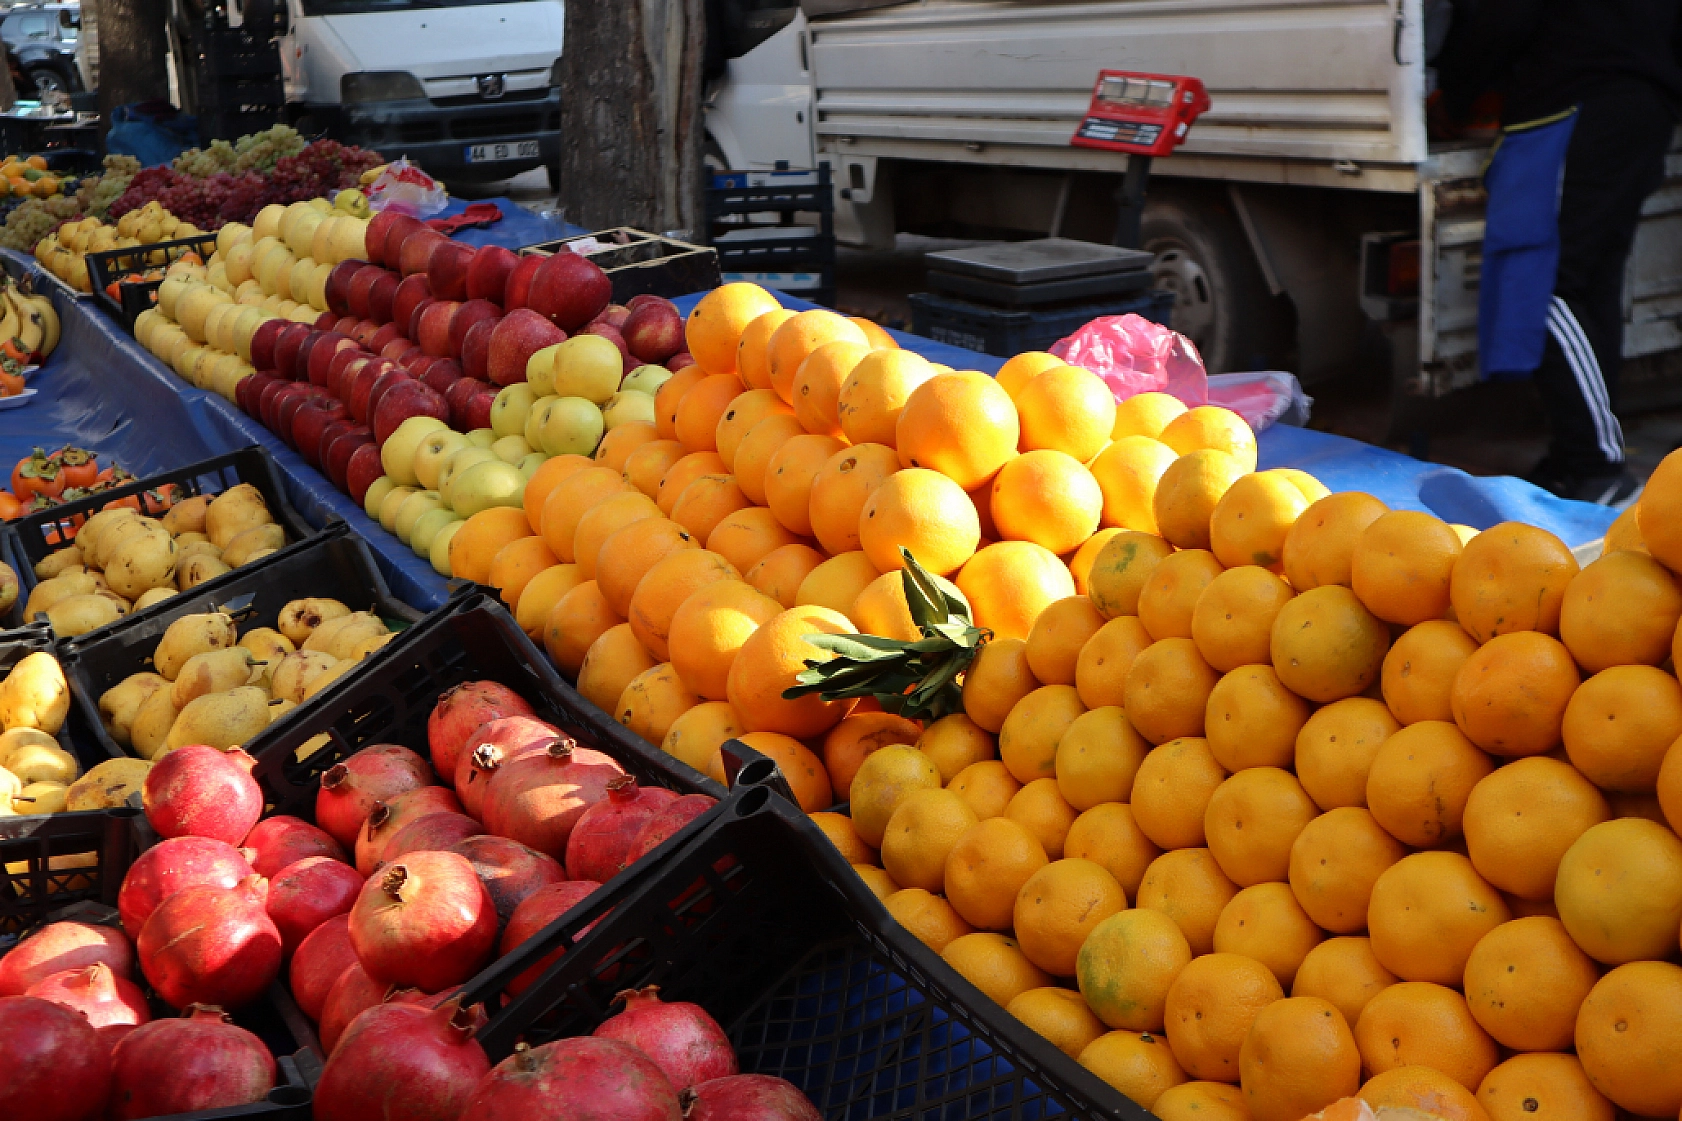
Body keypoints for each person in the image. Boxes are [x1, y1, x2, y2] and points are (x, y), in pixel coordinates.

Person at [1435, 0, 1682, 505]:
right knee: (1593, 284)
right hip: (1645, 104)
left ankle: (1597, 465)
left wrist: (1453, 98)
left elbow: (1497, 18)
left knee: (1544, 289)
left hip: (1574, 104)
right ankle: (1577, 457)